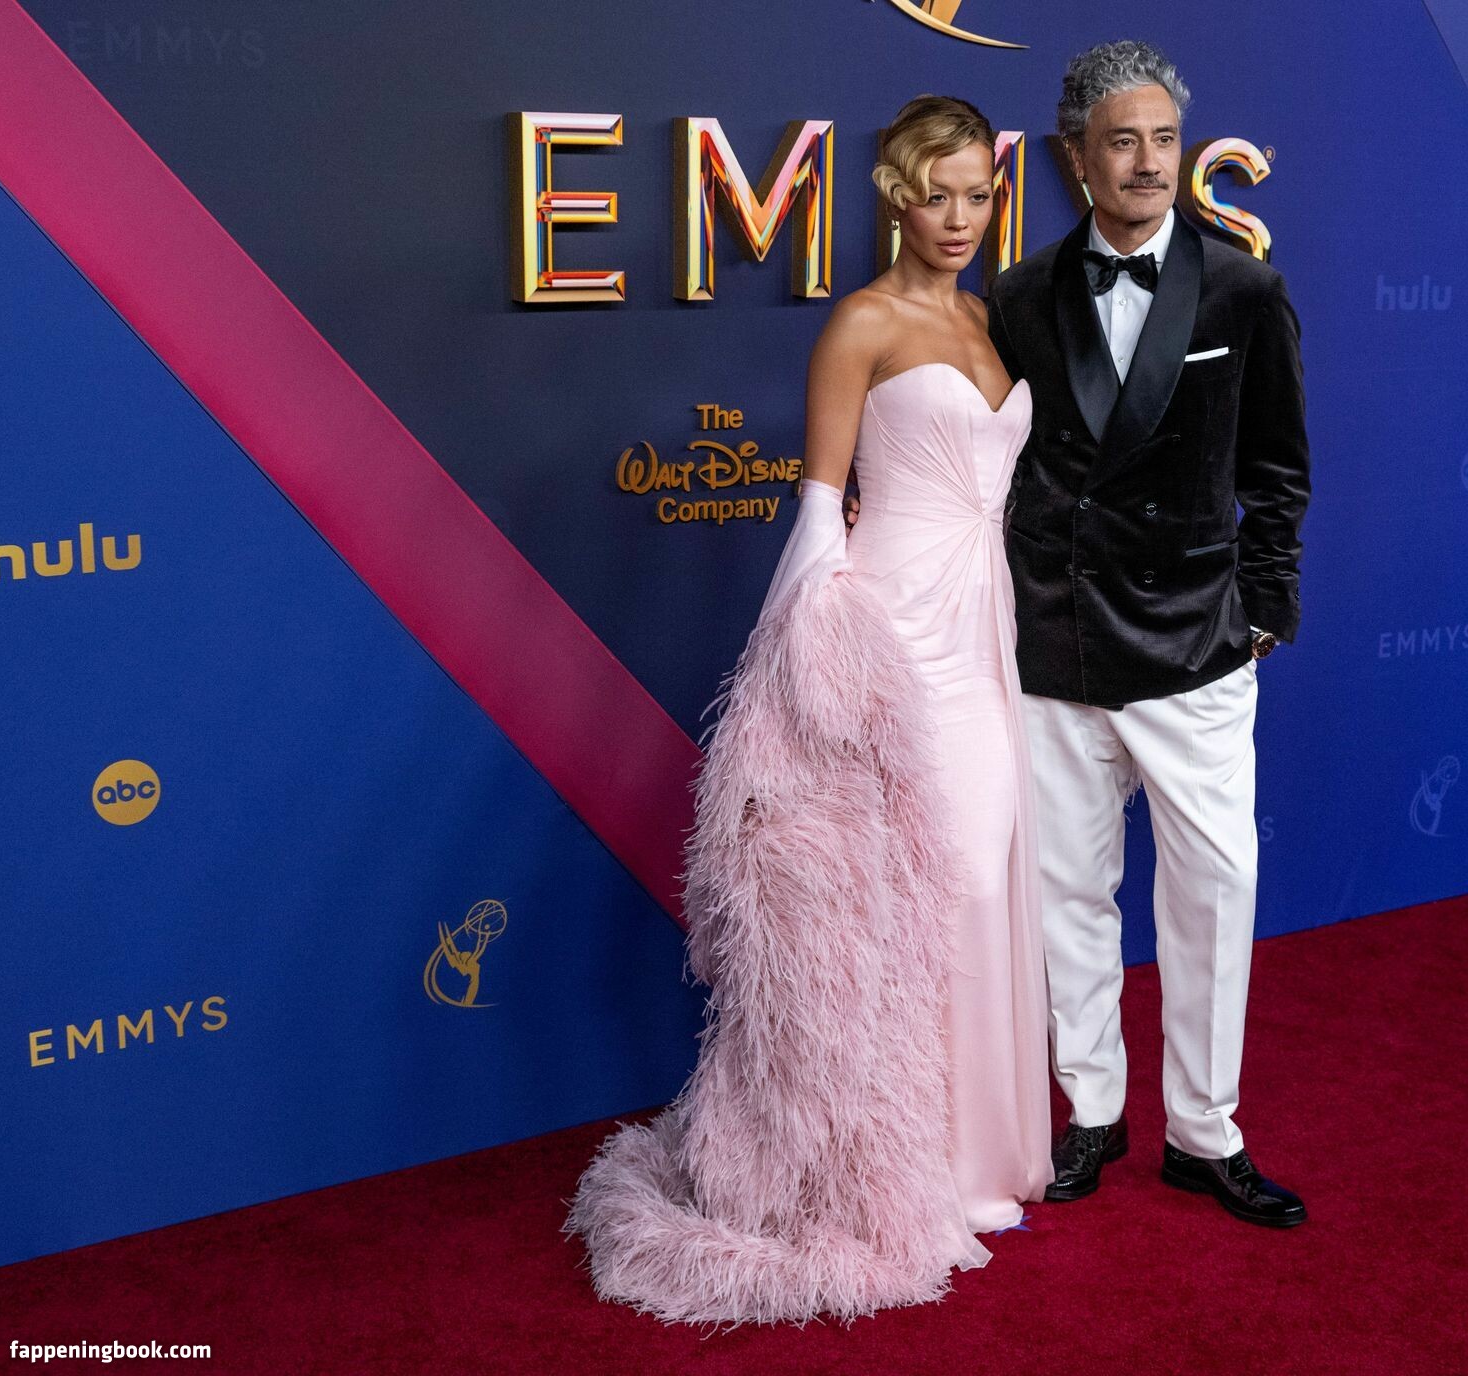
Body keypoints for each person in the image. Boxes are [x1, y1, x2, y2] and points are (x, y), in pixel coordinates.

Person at [563, 94, 1051, 1327]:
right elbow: (820, 508)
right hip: (891, 637)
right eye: (933, 195)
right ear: (894, 198)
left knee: (979, 878)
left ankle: (977, 1154)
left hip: (982, 632)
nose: (957, 217)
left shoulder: (987, 319)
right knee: (914, 893)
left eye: (976, 194)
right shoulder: (862, 322)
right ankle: (908, 1173)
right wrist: (795, 681)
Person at [984, 41, 1313, 1226]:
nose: (1147, 163)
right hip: (1060, 639)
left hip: (1195, 641)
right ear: (1074, 157)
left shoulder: (1242, 288)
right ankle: (1090, 1110)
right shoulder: (1018, 295)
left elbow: (1278, 467)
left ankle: (1204, 1132)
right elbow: (994, 459)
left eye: (1164, 140)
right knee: (1067, 889)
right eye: (1121, 141)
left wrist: (1261, 609)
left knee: (1216, 889)